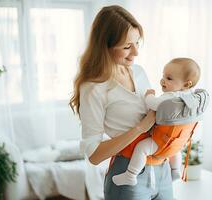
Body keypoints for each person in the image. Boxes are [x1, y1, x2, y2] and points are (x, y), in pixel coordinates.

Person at [69, 5, 173, 200]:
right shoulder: (94, 88)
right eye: (126, 47)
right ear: (104, 47)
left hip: (162, 170)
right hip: (127, 176)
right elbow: (94, 155)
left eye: (136, 43)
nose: (135, 52)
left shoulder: (139, 72)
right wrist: (141, 127)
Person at [112, 58, 202, 186]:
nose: (163, 80)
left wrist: (149, 94)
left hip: (161, 140)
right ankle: (175, 170)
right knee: (175, 150)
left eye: (169, 78)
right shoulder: (191, 98)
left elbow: (153, 104)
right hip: (177, 141)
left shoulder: (170, 97)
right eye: (163, 76)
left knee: (141, 148)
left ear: (186, 84)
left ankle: (131, 175)